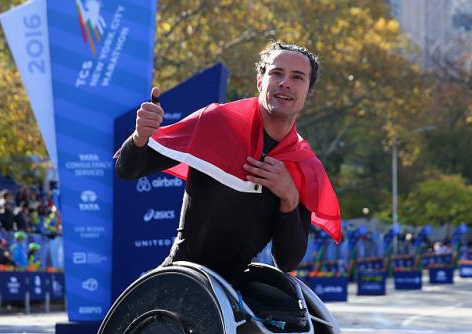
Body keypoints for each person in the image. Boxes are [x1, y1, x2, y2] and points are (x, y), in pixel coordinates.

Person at [114, 41, 340, 287]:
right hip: (182, 276)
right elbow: (128, 169)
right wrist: (140, 136)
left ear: (308, 91)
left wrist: (289, 197)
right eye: (276, 73)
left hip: (237, 291)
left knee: (307, 320)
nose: (285, 82)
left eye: (297, 77)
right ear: (260, 82)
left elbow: (287, 262)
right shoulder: (216, 121)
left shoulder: (305, 165)